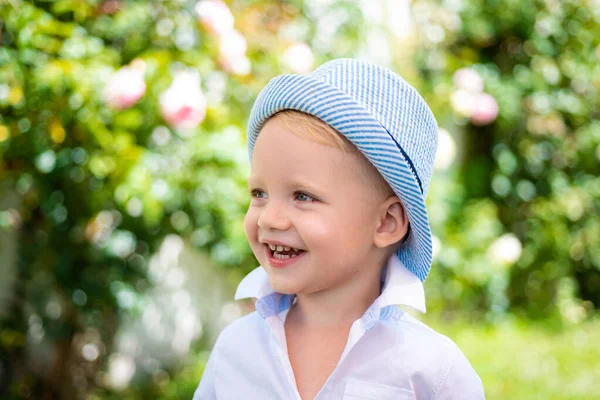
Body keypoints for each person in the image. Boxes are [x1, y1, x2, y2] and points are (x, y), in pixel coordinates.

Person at [193, 59, 485, 399]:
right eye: (259, 193)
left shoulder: (430, 370)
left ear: (387, 223)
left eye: (303, 196)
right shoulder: (236, 349)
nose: (268, 218)